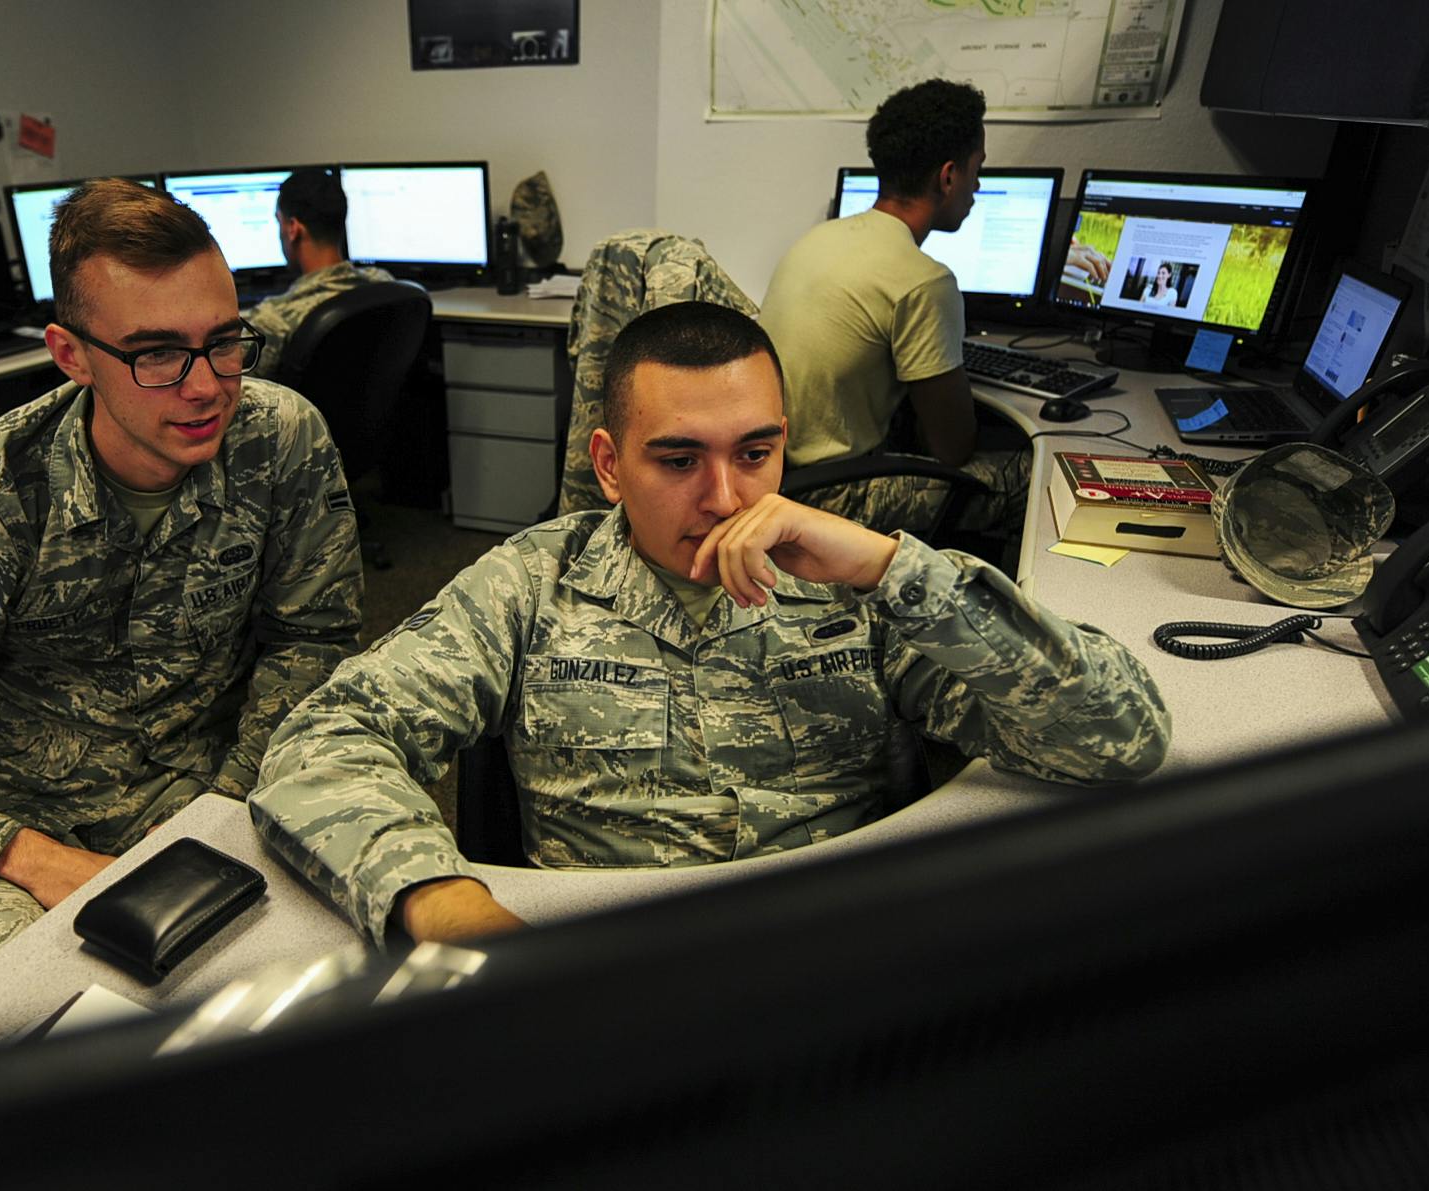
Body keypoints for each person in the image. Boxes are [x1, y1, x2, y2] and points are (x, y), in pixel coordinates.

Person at [251, 302, 1171, 948]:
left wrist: (891, 566)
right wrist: (442, 898)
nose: (726, 497)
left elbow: (1118, 739)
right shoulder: (534, 584)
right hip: (603, 970)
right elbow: (324, 740)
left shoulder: (863, 589)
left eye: (755, 453)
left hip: (841, 953)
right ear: (608, 465)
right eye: (678, 459)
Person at [0, 178, 365, 992]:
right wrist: (27, 856)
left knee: (339, 978)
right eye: (156, 353)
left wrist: (228, 804)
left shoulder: (281, 437)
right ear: (71, 355)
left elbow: (312, 636)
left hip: (206, 773)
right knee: (37, 1021)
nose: (205, 385)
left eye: (224, 341)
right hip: (7, 813)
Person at [757, 79, 1029, 541]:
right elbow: (953, 447)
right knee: (1029, 475)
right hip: (830, 498)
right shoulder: (923, 280)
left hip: (773, 474)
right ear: (948, 177)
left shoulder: (819, 238)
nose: (978, 186)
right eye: (977, 169)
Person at [243, 167, 395, 377]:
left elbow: (239, 386)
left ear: (292, 228)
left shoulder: (273, 319)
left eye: (279, 221)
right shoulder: (384, 284)